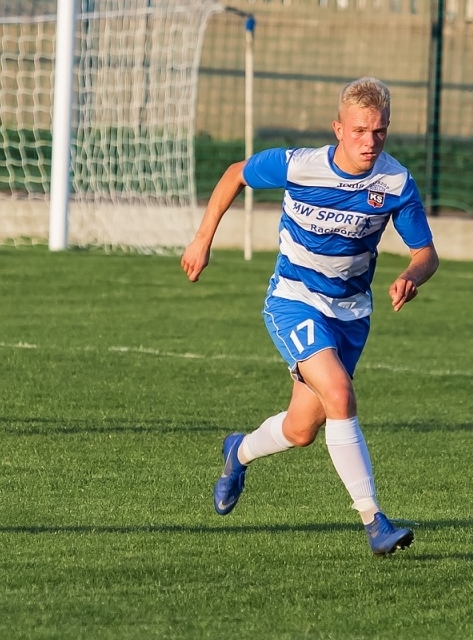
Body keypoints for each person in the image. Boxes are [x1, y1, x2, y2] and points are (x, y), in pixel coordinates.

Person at [181, 77, 439, 556]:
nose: (369, 142)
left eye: (379, 132)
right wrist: (202, 238)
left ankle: (237, 451)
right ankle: (374, 521)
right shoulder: (299, 166)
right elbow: (236, 172)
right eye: (360, 131)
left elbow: (426, 253)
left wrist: (412, 276)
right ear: (338, 128)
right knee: (340, 393)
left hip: (351, 315)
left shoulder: (395, 183)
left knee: (302, 430)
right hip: (293, 300)